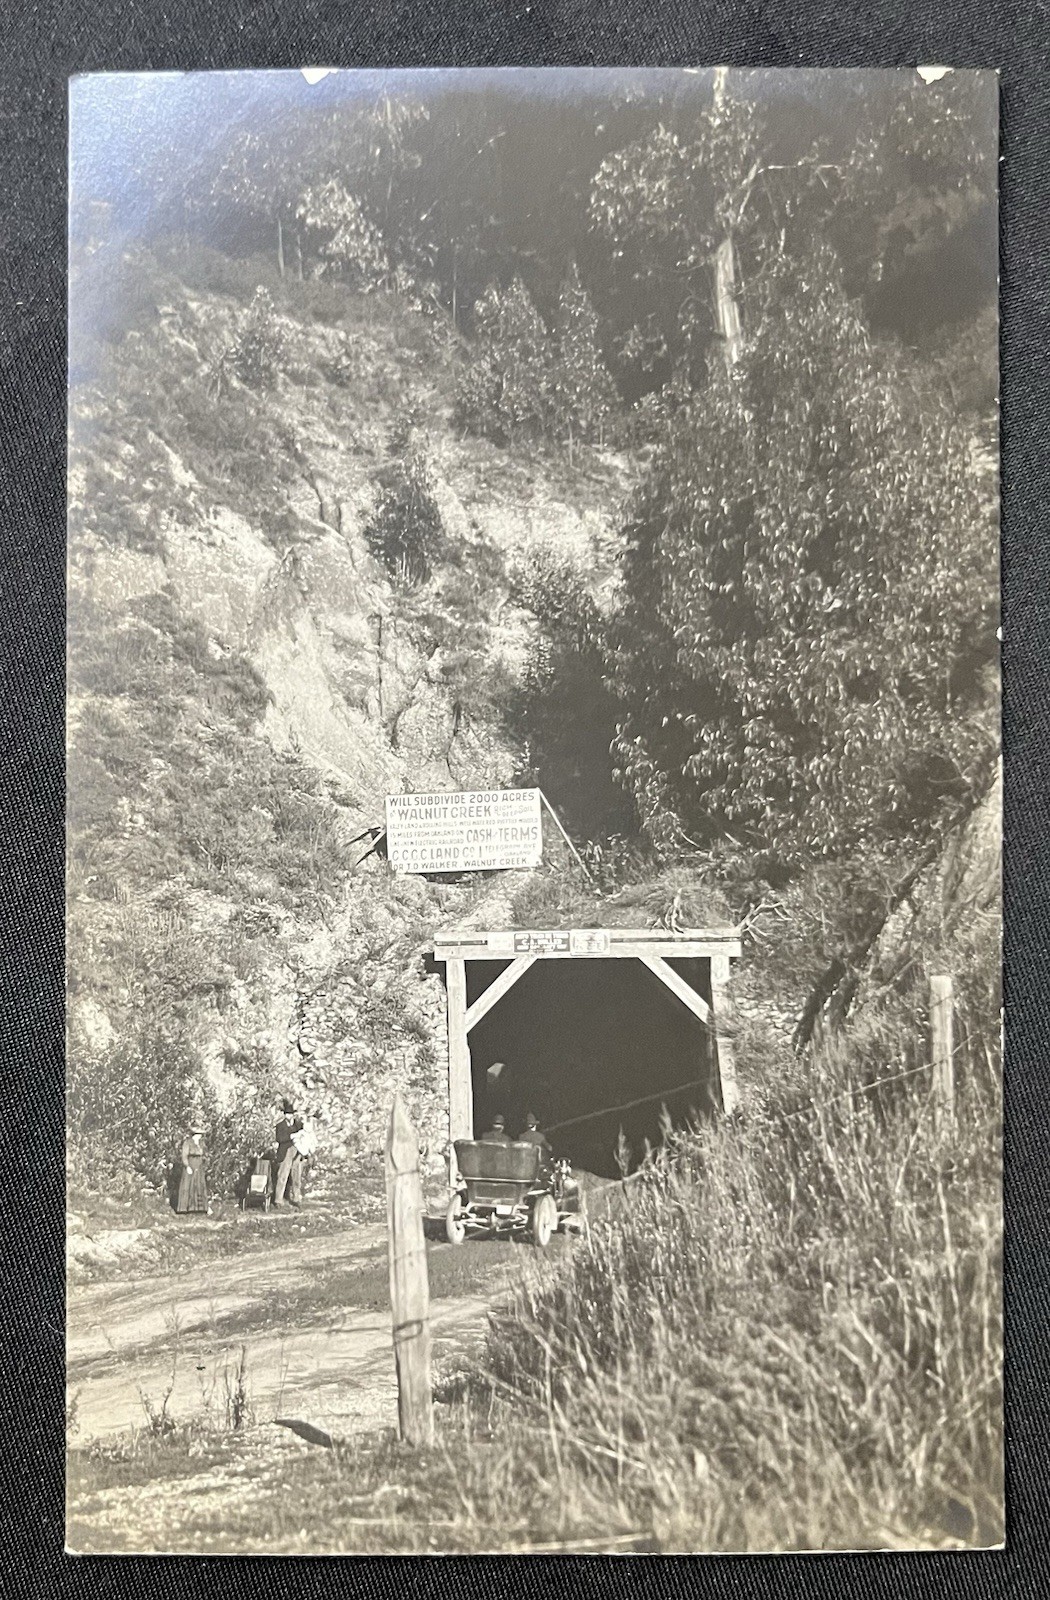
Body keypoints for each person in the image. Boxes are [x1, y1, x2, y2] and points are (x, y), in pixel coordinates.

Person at [273, 1097, 305, 1209]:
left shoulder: (298, 1124)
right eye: (287, 1114)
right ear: (284, 1114)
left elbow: (304, 1134)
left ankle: (296, 1198)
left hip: (296, 1152)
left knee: (296, 1176)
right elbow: (279, 1139)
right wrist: (291, 1136)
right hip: (285, 1152)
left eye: (290, 1114)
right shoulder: (280, 1125)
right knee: (282, 1175)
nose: (289, 1116)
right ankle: (278, 1200)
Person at [175, 1122, 209, 1215]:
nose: (200, 1136)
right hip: (191, 1164)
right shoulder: (188, 1142)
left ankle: (200, 1208)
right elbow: (184, 1156)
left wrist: (203, 1163)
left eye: (201, 1134)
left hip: (199, 1166)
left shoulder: (201, 1143)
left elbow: (205, 1154)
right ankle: (185, 1208)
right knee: (188, 1185)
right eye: (198, 1134)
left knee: (199, 1185)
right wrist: (187, 1166)